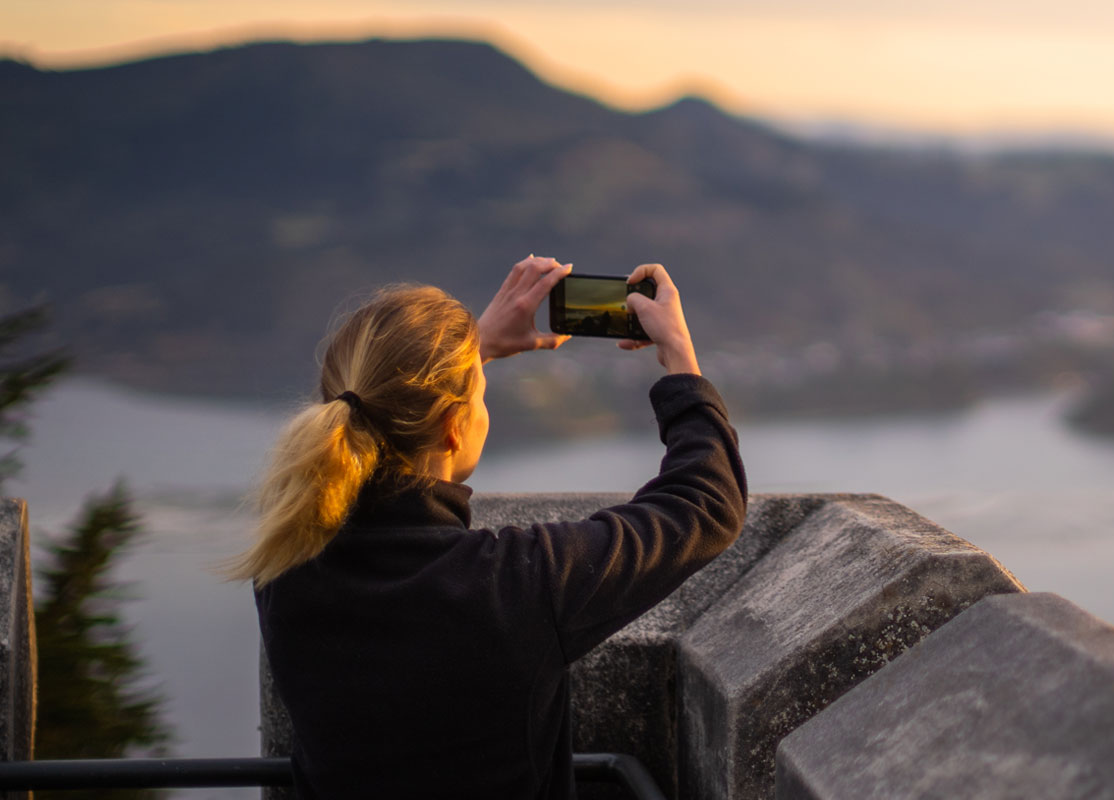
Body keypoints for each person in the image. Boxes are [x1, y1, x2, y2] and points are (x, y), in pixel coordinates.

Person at [225, 256, 745, 798]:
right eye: (479, 396)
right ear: (454, 429)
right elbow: (705, 504)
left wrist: (471, 353)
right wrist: (681, 362)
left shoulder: (285, 566)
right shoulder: (512, 585)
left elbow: (378, 409)